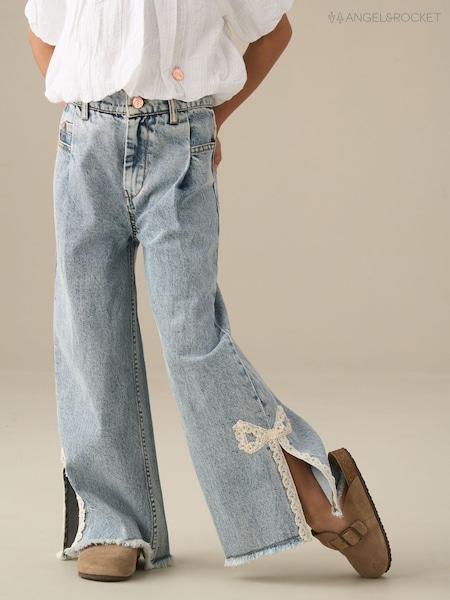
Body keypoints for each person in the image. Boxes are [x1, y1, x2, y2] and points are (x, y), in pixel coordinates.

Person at [25, 0, 391, 583]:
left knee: (191, 337)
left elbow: (273, 32)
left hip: (179, 144)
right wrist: (84, 116)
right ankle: (114, 524)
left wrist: (213, 120)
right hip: (85, 147)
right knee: (88, 334)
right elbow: (42, 30)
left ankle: (310, 482)